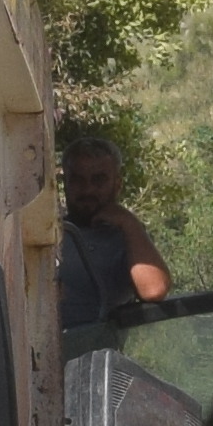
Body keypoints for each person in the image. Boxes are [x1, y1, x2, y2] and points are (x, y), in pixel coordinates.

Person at [58, 127, 172, 343]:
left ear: (117, 184)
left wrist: (129, 223)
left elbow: (154, 289)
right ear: (65, 184)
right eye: (78, 180)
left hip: (97, 364)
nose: (88, 190)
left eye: (99, 180)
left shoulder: (126, 239)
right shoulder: (49, 234)